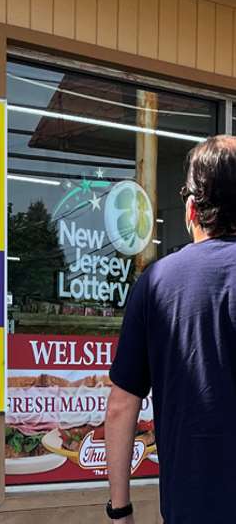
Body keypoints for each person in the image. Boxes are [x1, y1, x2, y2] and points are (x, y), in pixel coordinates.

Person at [105, 135, 236, 524]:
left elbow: (120, 407)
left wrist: (120, 509)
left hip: (188, 510)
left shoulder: (156, 282)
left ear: (191, 209)